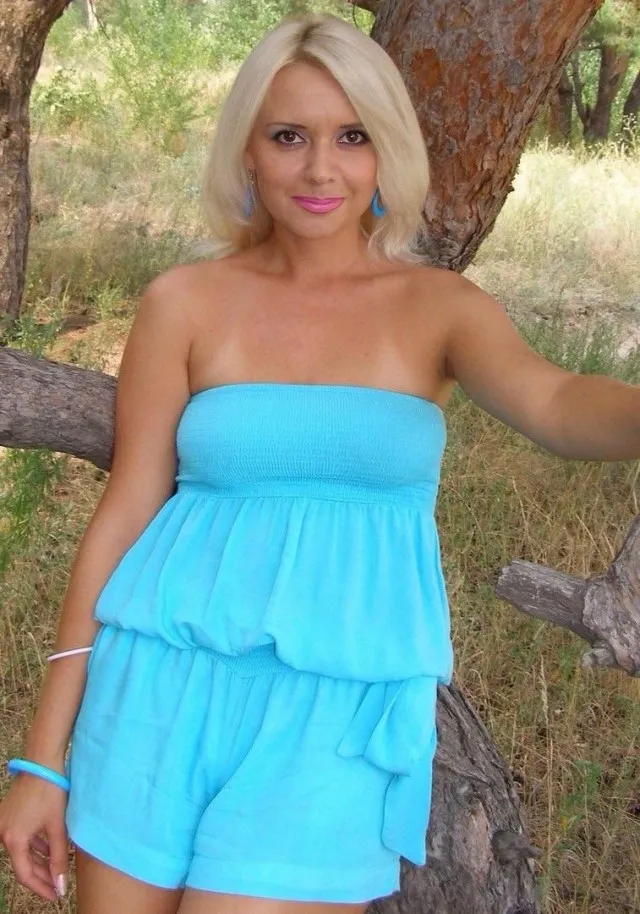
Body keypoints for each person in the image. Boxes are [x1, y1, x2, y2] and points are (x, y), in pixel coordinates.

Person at [2, 10, 640, 914]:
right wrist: (41, 758)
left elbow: (561, 404)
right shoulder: (184, 302)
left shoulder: (439, 308)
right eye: (288, 137)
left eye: (352, 136)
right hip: (156, 691)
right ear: (247, 151)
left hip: (334, 719)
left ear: (386, 153)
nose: (319, 170)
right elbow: (126, 514)